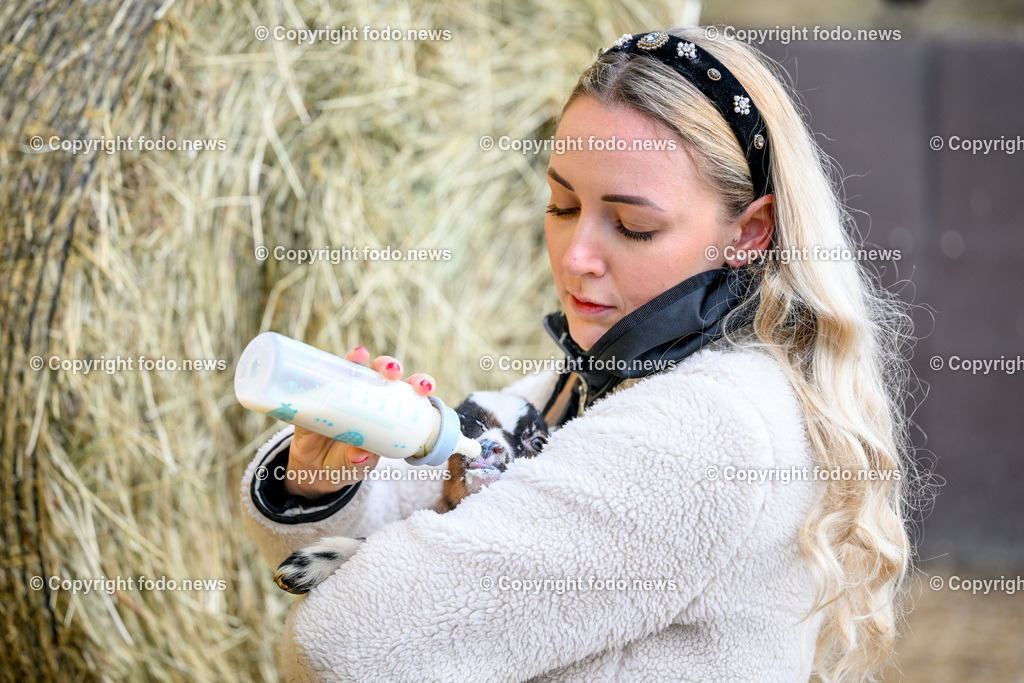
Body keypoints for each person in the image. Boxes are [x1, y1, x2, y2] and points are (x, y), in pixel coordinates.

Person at [241, 26, 914, 681]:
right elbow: (342, 540)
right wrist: (322, 480)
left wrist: (405, 549)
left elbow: (349, 645)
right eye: (562, 205)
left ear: (749, 231)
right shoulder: (587, 382)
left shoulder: (710, 427)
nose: (577, 257)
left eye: (633, 225)